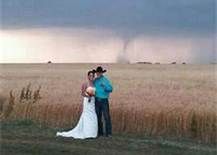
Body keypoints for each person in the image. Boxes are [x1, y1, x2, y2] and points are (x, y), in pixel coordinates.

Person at [56, 70, 98, 139]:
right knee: (87, 115)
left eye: (92, 76)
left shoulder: (94, 84)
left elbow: (95, 92)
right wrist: (88, 96)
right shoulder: (85, 84)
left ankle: (92, 133)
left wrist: (93, 96)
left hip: (93, 101)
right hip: (87, 101)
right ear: (88, 76)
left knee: (93, 115)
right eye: (90, 75)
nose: (91, 77)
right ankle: (87, 133)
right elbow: (82, 93)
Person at [93, 66, 113, 137]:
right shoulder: (95, 81)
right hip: (96, 100)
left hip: (104, 100)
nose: (98, 74)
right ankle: (100, 132)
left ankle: (109, 133)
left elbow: (111, 89)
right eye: (97, 73)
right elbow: (92, 89)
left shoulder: (105, 80)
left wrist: (105, 87)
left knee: (106, 117)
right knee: (98, 117)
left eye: (99, 73)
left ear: (102, 73)